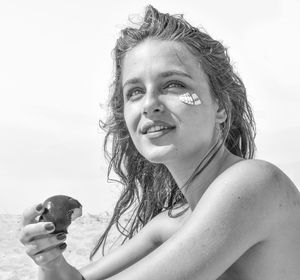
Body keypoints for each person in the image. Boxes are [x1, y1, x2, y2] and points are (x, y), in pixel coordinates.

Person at [19, 5, 300, 280]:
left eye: (174, 84)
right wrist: (50, 261)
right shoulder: (170, 223)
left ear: (220, 106)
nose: (149, 105)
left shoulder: (255, 184)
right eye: (135, 91)